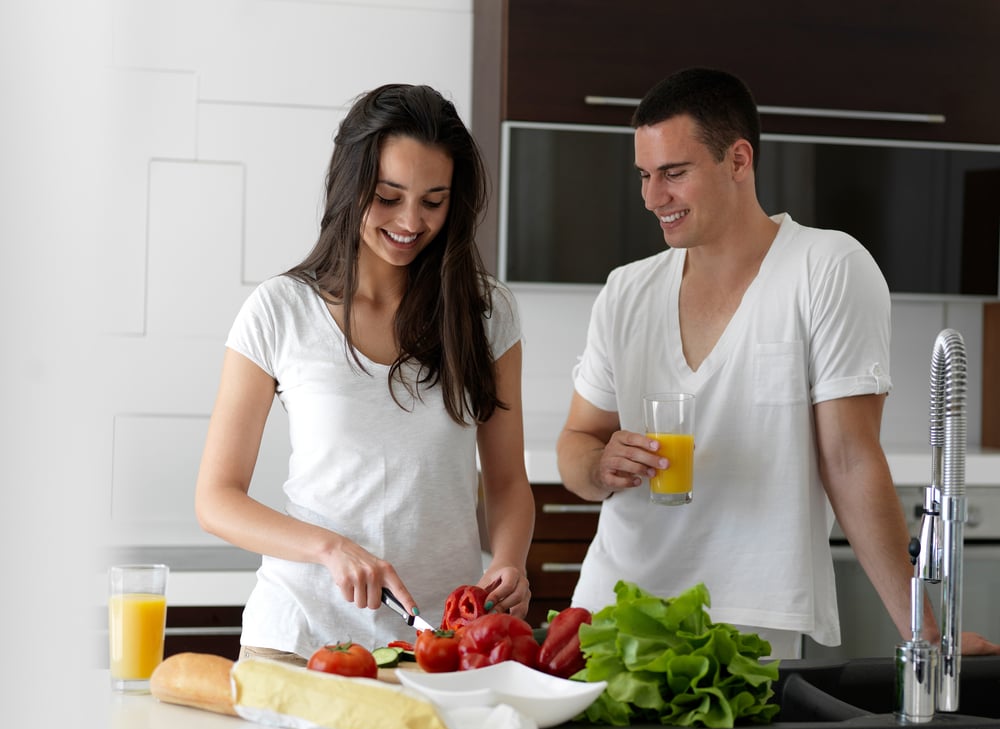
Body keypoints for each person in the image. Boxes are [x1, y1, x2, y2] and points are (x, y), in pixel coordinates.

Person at [556, 67, 1000, 659]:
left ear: (738, 160)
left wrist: (925, 634)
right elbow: (576, 445)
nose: (651, 197)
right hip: (614, 609)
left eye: (674, 173)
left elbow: (849, 459)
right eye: (644, 175)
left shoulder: (827, 268)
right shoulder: (625, 291)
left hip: (752, 620)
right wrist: (599, 464)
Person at [195, 83, 535, 664]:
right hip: (301, 637)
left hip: (440, 642)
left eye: (434, 201)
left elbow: (505, 483)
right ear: (350, 186)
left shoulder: (485, 314)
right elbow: (217, 499)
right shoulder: (280, 310)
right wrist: (330, 548)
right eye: (388, 196)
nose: (411, 221)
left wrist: (508, 560)